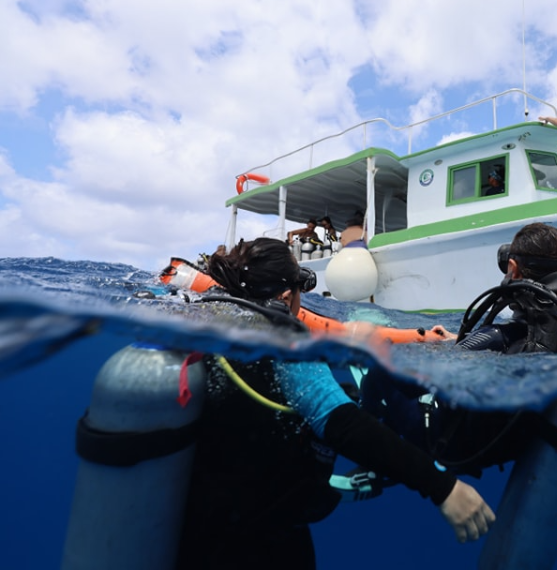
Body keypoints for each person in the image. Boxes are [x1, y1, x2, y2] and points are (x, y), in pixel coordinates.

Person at [177, 238, 494, 569]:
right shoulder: (282, 340)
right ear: (286, 296)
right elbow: (342, 423)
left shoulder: (208, 325)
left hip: (195, 533)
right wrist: (443, 487)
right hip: (259, 540)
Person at [360, 223, 557, 475]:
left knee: (379, 367)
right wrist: (459, 341)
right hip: (508, 446)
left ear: (513, 269)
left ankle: (371, 455)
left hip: (452, 445)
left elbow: (413, 382)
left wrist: (433, 351)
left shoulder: (496, 337)